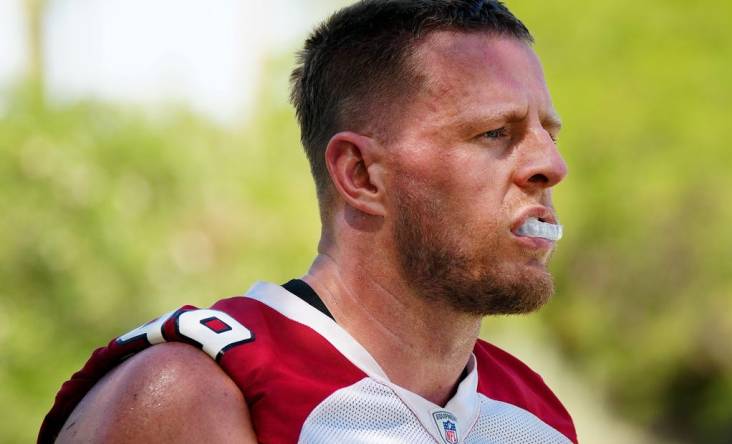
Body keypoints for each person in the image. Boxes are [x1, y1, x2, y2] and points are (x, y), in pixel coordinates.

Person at [40, 1, 576, 443]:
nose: (550, 165)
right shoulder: (191, 391)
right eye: (494, 133)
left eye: (548, 133)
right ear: (360, 173)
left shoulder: (537, 418)